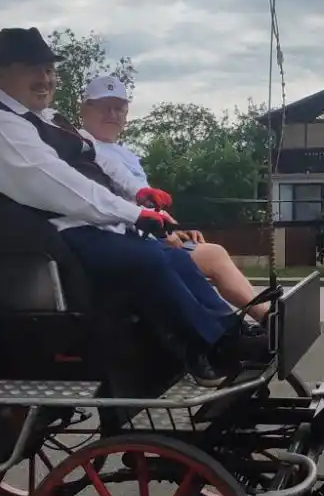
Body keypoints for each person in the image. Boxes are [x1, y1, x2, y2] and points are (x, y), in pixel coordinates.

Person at [0, 27, 267, 384]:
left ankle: (227, 334)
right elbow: (59, 184)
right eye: (32, 68)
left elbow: (101, 161)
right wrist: (134, 214)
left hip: (79, 228)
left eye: (49, 70)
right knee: (147, 259)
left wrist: (139, 193)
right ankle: (208, 347)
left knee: (173, 256)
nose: (44, 78)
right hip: (46, 239)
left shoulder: (49, 120)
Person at [79, 74, 269, 323]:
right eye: (104, 107)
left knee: (211, 254)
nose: (112, 114)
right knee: (213, 256)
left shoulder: (125, 154)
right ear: (84, 109)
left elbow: (146, 201)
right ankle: (266, 320)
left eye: (119, 108)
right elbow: (105, 201)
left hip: (145, 232)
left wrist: (175, 227)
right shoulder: (83, 148)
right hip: (121, 238)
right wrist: (160, 230)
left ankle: (258, 320)